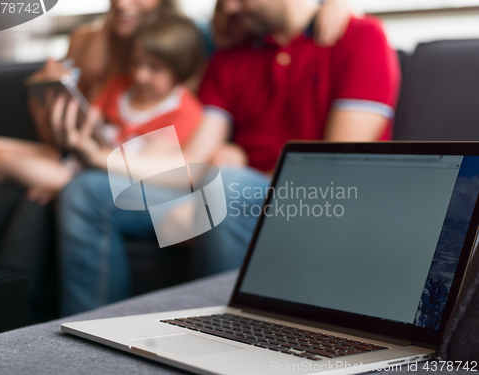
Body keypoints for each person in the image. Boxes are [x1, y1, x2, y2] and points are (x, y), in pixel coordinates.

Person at [55, 0, 399, 316]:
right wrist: (99, 157)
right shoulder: (231, 57)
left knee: (227, 186)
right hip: (233, 192)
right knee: (88, 192)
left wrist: (206, 196)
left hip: (319, 200)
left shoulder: (361, 38)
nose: (230, 7)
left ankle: (219, 335)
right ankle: (88, 334)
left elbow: (333, 165)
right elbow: (193, 162)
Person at [0, 11, 205, 200]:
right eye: (136, 63)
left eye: (154, 68)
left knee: (0, 161)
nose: (140, 75)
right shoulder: (120, 87)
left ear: (181, 71)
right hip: (75, 160)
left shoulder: (185, 112)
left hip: (102, 177)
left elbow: (142, 170)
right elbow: (89, 120)